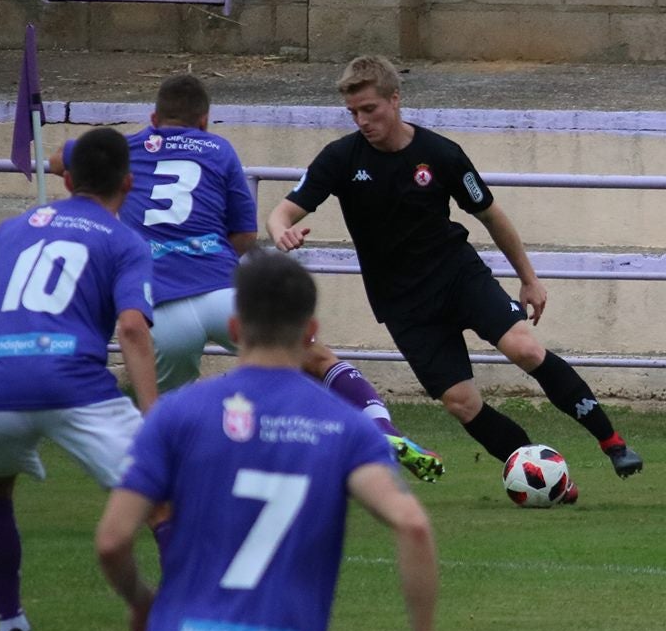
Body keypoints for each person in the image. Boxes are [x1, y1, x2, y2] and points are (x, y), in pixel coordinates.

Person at [46, 252, 441, 631]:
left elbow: (112, 538)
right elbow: (411, 525)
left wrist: (138, 599)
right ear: (312, 333)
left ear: (233, 329)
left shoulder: (180, 413)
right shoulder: (345, 427)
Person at [267, 55, 643, 503]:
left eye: (370, 109)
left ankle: (613, 442)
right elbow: (283, 211)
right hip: (403, 303)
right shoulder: (341, 158)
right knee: (461, 403)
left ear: (395, 99)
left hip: (458, 277)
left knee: (524, 348)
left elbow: (491, 215)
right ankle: (548, 480)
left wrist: (529, 279)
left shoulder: (440, 154)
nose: (362, 121)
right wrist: (281, 231)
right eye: (354, 113)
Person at [49, 74, 444, 483]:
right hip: (223, 295)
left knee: (169, 419)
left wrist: (86, 162)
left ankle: (187, 486)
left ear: (153, 117)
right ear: (204, 121)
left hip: (161, 309)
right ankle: (382, 429)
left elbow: (58, 160)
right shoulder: (219, 149)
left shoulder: (126, 149)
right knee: (318, 359)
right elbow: (244, 237)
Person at [0, 128, 158, 631]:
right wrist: (154, 414)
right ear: (129, 182)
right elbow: (134, 329)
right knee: (163, 500)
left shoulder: (10, 229)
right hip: (79, 386)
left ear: (67, 180)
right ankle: (171, 619)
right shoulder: (123, 240)